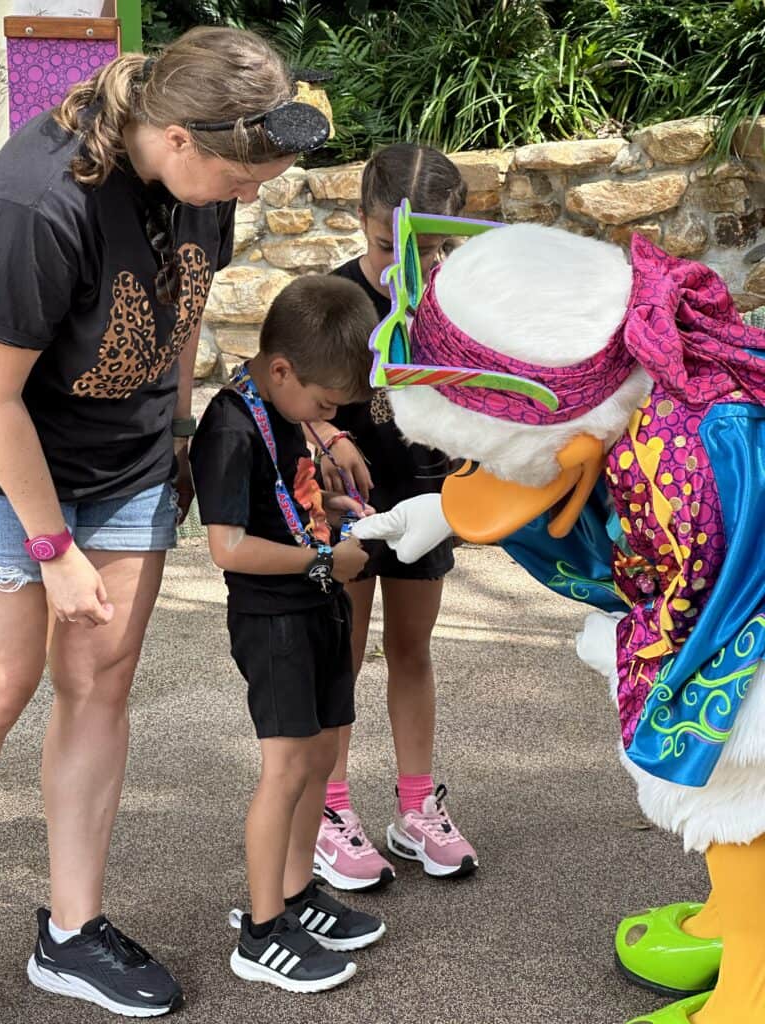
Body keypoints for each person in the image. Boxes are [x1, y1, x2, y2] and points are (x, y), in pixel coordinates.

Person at [0, 26, 331, 1016]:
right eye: (241, 179)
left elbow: (182, 314)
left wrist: (178, 437)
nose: (250, 196)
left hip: (130, 463)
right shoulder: (38, 200)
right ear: (180, 137)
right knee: (7, 681)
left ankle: (70, 933)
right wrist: (54, 550)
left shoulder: (202, 183)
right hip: (16, 467)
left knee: (98, 681)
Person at [189, 274, 386, 993]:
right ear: (281, 371)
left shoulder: (280, 408)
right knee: (285, 769)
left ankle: (297, 893)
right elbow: (229, 546)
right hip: (274, 619)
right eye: (326, 405)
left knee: (318, 755)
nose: (329, 418)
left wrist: (333, 507)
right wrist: (325, 559)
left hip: (316, 604)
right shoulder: (230, 425)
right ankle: (263, 928)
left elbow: (284, 500)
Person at [309, 144, 478, 891]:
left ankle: (416, 810)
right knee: (340, 655)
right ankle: (329, 808)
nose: (405, 266)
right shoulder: (330, 299)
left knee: (411, 649)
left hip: (428, 500)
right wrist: (326, 435)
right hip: (347, 508)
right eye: (389, 246)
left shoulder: (459, 306)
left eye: (431, 250)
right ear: (361, 222)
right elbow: (282, 393)